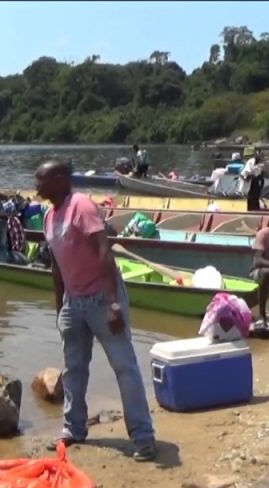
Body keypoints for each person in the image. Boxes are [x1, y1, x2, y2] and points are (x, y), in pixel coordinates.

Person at [34, 160, 157, 461]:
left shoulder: (82, 207)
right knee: (73, 368)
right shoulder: (50, 216)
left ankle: (143, 436)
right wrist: (60, 305)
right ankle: (73, 428)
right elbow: (57, 265)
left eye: (42, 180)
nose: (37, 186)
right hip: (74, 303)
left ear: (61, 180)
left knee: (123, 366)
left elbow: (105, 253)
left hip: (102, 299)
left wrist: (114, 304)